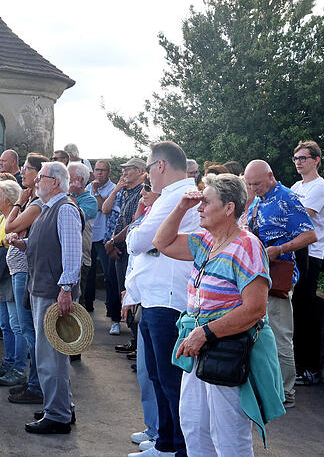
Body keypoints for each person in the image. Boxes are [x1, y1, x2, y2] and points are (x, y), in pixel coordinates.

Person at [153, 174, 285, 456]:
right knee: (194, 426)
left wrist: (204, 332)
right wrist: (180, 207)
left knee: (227, 434)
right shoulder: (206, 240)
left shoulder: (247, 246)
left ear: (228, 209)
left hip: (225, 349)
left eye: (206, 201)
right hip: (200, 346)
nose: (199, 207)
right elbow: (162, 242)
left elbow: (254, 309)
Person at [125, 141, 200, 457]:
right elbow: (141, 240)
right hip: (156, 296)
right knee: (158, 375)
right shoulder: (170, 198)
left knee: (170, 380)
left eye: (148, 169)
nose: (147, 178)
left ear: (160, 166)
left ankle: (179, 447)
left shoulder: (176, 199)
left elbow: (139, 238)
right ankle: (166, 442)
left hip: (168, 300)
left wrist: (141, 237)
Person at [8, 161, 81, 434]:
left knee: (50, 356)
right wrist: (22, 244)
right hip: (44, 288)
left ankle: (58, 415)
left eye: (41, 177)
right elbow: (47, 244)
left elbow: (71, 253)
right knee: (50, 356)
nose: (36, 181)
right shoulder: (50, 208)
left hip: (52, 292)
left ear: (56, 182)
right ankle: (60, 406)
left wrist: (65, 289)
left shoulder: (64, 210)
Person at [244, 160, 316, 408]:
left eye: (257, 184)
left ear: (270, 176)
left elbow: (310, 235)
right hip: (259, 274)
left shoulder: (287, 198)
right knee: (262, 334)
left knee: (280, 335)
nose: (253, 189)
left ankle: (286, 392)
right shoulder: (259, 199)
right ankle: (269, 388)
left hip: (278, 276)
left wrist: (280, 249)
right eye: (250, 184)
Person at [4, 153, 50, 405]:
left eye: (27, 169)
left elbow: (9, 227)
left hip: (25, 269)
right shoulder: (35, 200)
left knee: (28, 330)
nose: (22, 172)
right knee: (25, 328)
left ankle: (36, 385)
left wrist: (18, 203)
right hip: (20, 267)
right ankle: (33, 381)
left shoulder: (35, 203)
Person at [290, 141, 324, 386]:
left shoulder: (320, 188)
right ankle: (296, 366)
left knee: (304, 312)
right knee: (293, 311)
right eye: (296, 158)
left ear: (316, 160)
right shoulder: (297, 186)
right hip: (296, 253)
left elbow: (300, 216)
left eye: (303, 158)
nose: (298, 162)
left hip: (311, 255)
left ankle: (309, 369)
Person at [122, 180, 161, 453]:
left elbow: (136, 244)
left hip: (156, 301)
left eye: (148, 188)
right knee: (146, 372)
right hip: (142, 296)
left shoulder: (163, 216)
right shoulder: (148, 214)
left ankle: (161, 434)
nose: (143, 193)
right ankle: (153, 427)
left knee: (156, 373)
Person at [0, 179, 27, 387]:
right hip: (0, 276)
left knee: (16, 324)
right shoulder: (2, 219)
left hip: (11, 276)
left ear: (10, 199)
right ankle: (9, 362)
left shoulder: (15, 219)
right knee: (5, 324)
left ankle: (18, 367)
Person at [102, 158, 146, 335]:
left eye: (129, 169)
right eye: (124, 170)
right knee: (117, 288)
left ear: (141, 171)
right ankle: (133, 339)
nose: (124, 173)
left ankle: (136, 340)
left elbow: (135, 223)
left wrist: (113, 242)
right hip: (120, 248)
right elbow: (119, 219)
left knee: (129, 292)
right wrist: (113, 242)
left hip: (129, 250)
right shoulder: (126, 192)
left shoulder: (142, 193)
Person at [84, 160, 118, 312]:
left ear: (109, 172)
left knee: (109, 274)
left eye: (103, 170)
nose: (99, 173)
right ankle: (87, 304)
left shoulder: (113, 188)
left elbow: (103, 208)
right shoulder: (88, 188)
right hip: (89, 233)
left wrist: (96, 192)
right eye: (97, 170)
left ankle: (112, 310)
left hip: (104, 235)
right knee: (87, 272)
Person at [68, 162, 97, 315]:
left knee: (74, 304)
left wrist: (71, 195)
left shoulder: (90, 201)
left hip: (80, 259)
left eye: (68, 176)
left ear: (79, 180)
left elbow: (75, 219)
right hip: (64, 258)